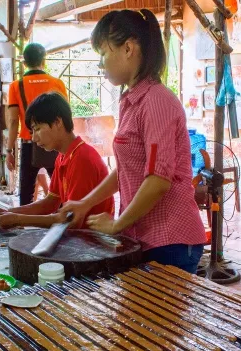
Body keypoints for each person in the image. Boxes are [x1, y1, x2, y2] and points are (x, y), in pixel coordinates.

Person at [60, 9, 206, 273]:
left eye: (103, 53)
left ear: (128, 48)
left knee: (160, 315)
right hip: (144, 238)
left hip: (169, 240)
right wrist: (85, 203)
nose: (101, 64)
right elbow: (127, 169)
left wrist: (117, 224)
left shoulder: (156, 101)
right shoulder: (131, 101)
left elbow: (159, 180)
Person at [0, 92, 113, 229]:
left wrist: (17, 219)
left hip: (94, 240)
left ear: (58, 122)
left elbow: (70, 219)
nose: (34, 139)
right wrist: (9, 212)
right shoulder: (62, 156)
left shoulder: (82, 159)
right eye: (32, 132)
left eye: (37, 129)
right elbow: (50, 203)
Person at [6, 43, 69, 206]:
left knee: (26, 193)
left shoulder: (16, 86)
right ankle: (64, 225)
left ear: (24, 63)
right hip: (55, 144)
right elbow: (65, 118)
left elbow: (13, 121)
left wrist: (9, 150)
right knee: (62, 191)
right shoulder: (57, 83)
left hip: (29, 143)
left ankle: (23, 226)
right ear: (44, 60)